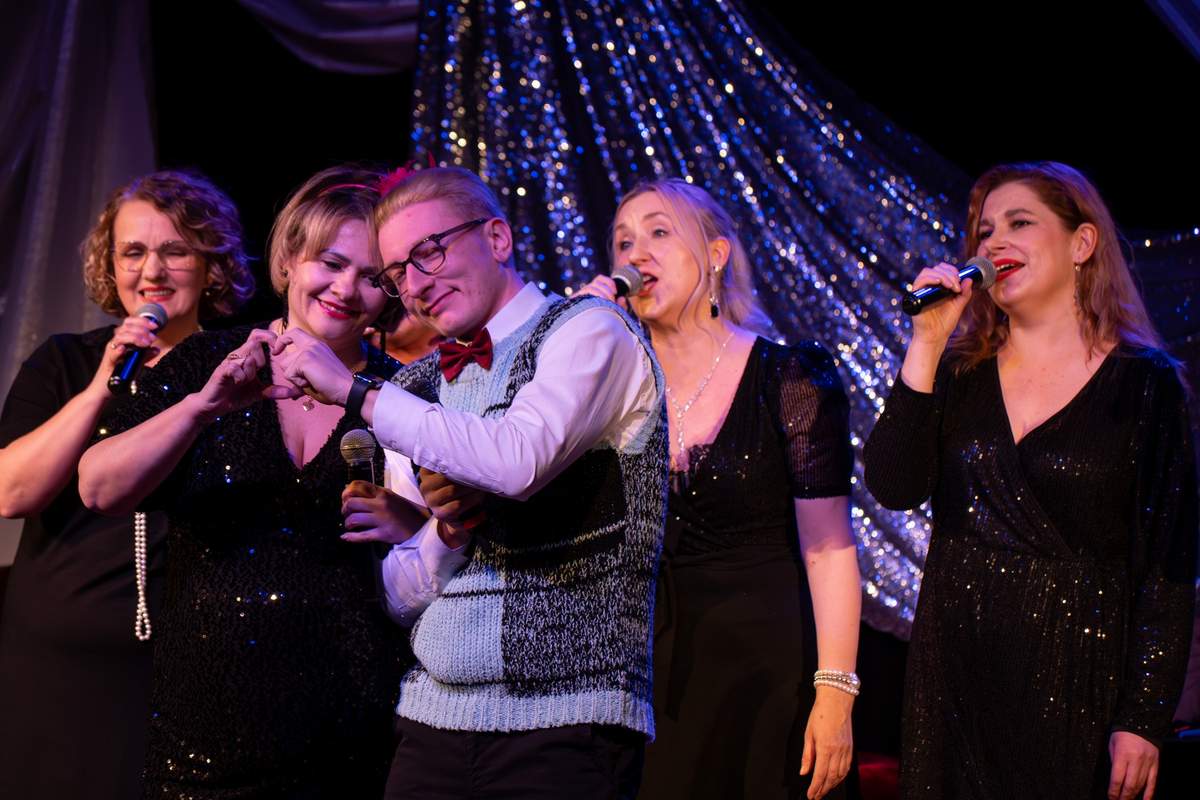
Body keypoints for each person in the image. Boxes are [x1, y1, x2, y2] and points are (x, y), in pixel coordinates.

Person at [267, 165, 668, 799]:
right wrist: (446, 533)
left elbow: (516, 461)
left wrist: (354, 391)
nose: (416, 286)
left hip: (566, 719)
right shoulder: (416, 386)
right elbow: (398, 595)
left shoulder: (588, 329)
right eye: (397, 274)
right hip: (431, 722)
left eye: (429, 253)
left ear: (497, 239)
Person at [863, 161, 1197, 800]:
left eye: (1019, 223)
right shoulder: (959, 374)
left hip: (1077, 682)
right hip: (954, 679)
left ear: (1082, 243)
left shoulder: (1145, 385)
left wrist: (1144, 717)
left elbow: (1168, 568)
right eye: (985, 232)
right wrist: (926, 344)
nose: (994, 244)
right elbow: (893, 484)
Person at [78, 165, 414, 798]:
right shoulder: (209, 361)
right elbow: (98, 488)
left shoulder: (401, 392)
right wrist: (201, 408)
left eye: (373, 277)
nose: (346, 288)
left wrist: (413, 527)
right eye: (330, 263)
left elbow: (455, 539)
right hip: (204, 735)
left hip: (355, 736)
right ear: (289, 260)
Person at [579, 178, 861, 800]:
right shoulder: (606, 389)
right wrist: (574, 343)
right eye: (623, 242)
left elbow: (829, 549)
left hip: (769, 675)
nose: (636, 254)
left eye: (659, 232)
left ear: (715, 254)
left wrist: (836, 692)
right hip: (649, 679)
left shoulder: (788, 376)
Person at [0, 170, 253, 799]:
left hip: (192, 669)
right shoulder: (64, 362)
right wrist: (101, 386)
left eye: (176, 251)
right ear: (109, 265)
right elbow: (11, 495)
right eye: (133, 251)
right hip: (57, 670)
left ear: (212, 264)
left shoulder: (241, 372)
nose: (152, 271)